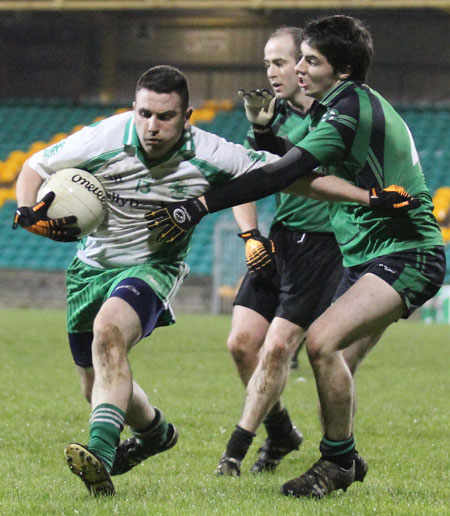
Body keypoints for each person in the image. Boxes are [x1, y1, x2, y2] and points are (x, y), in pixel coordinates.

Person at [145, 15, 445, 499]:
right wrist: (266, 139)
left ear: (342, 69)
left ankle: (335, 464)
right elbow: (297, 166)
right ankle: (341, 454)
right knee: (334, 357)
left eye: (312, 60)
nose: (299, 68)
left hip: (407, 252)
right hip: (369, 253)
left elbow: (280, 175)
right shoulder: (342, 108)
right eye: (299, 57)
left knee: (321, 344)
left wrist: (197, 206)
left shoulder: (347, 111)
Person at [12, 65, 291, 497]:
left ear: (187, 116)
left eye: (164, 117)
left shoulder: (212, 153)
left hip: (152, 267)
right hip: (90, 268)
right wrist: (27, 211)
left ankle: (100, 457)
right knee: (95, 387)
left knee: (109, 333)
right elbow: (34, 166)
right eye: (144, 114)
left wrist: (363, 193)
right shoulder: (106, 136)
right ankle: (157, 433)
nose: (151, 126)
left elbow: (283, 170)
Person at [217, 26, 346, 478]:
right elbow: (243, 180)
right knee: (241, 344)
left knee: (277, 348)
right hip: (282, 239)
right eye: (267, 63)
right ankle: (284, 433)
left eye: (280, 62)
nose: (271, 72)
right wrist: (251, 236)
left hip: (325, 249)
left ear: (306, 64)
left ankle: (234, 451)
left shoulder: (336, 117)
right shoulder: (266, 116)